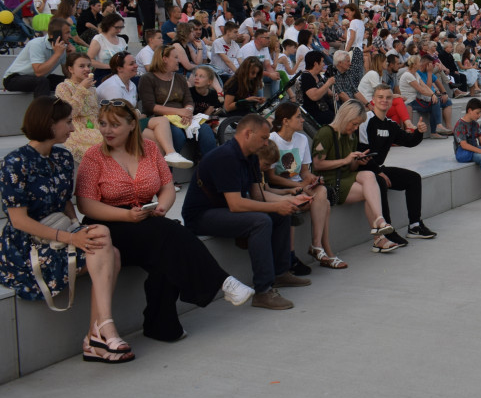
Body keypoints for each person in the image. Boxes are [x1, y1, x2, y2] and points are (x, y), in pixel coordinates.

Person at [75, 99, 253, 341]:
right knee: (169, 235)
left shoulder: (149, 149)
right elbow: (86, 204)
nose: (107, 130)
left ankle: (161, 325)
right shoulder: (94, 156)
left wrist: (162, 207)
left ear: (131, 125)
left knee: (167, 251)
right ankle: (222, 281)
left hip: (146, 220)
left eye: (114, 125)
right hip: (108, 224)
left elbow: (167, 187)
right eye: (103, 124)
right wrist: (126, 215)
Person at [0, 97, 131, 363]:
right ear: (49, 124)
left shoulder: (62, 156)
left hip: (60, 232)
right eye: (68, 122)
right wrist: (72, 237)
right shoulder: (15, 162)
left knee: (106, 246)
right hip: (26, 246)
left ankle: (98, 333)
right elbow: (18, 221)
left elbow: (66, 203)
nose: (73, 129)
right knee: (107, 248)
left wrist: (79, 231)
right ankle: (100, 332)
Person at [182, 114, 310, 310]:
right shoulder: (225, 157)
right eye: (264, 138)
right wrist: (276, 205)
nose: (267, 143)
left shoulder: (250, 156)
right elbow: (236, 205)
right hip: (201, 216)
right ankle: (263, 291)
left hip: (223, 209)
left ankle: (281, 273)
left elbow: (258, 196)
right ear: (248, 133)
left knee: (281, 214)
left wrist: (290, 200)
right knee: (261, 221)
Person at [311, 100, 400, 253]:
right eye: (354, 123)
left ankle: (380, 221)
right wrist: (345, 160)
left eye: (358, 125)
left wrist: (357, 162)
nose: (355, 128)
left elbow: (350, 167)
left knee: (368, 175)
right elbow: (317, 165)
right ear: (345, 117)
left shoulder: (350, 135)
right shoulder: (326, 133)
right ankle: (379, 235)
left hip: (345, 177)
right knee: (370, 189)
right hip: (330, 183)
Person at [266, 103, 342, 268]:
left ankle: (317, 245)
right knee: (325, 204)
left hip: (300, 187)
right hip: (281, 190)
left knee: (321, 190)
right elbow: (271, 177)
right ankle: (320, 249)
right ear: (286, 121)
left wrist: (312, 179)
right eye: (298, 116)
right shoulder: (272, 140)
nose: (302, 120)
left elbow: (305, 171)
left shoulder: (301, 139)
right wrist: (297, 186)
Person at [359, 85, 437, 241]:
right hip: (363, 171)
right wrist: (377, 171)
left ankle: (415, 226)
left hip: (378, 169)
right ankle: (387, 229)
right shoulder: (364, 121)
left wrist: (419, 132)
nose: (384, 100)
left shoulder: (390, 125)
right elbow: (361, 152)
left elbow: (409, 141)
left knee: (413, 178)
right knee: (379, 181)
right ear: (373, 100)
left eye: (388, 97)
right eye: (380, 97)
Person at [138, 45, 217, 159]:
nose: (179, 61)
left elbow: (188, 100)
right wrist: (181, 112)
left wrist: (188, 112)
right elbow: (149, 106)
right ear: (165, 59)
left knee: (206, 132)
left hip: (183, 116)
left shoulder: (179, 78)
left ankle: (208, 169)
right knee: (177, 136)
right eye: (175, 57)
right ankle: (167, 171)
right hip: (162, 119)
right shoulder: (148, 78)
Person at [2, 17, 69, 96]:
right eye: (67, 33)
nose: (70, 36)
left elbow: (67, 72)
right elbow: (39, 72)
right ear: (55, 35)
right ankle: (42, 108)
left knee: (67, 82)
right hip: (14, 79)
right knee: (42, 81)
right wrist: (57, 54)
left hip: (37, 78)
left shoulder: (62, 48)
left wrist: (72, 56)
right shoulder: (37, 44)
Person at [85, 13, 128, 84]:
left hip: (120, 72)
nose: (119, 30)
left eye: (121, 27)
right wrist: (109, 66)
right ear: (108, 25)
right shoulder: (99, 39)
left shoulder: (122, 40)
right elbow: (89, 60)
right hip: (103, 73)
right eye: (117, 27)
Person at [298, 50, 336, 126]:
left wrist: (334, 94)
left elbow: (328, 92)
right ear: (315, 63)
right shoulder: (306, 77)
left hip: (325, 107)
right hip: (315, 112)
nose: (324, 64)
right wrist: (328, 83)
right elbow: (314, 96)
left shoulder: (317, 75)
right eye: (322, 62)